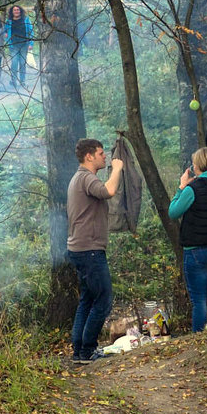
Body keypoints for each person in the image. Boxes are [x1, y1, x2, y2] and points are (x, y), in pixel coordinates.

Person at [67, 138, 125, 364]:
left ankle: (79, 352)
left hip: (81, 248)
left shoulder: (80, 178)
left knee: (88, 300)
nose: (105, 157)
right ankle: (88, 350)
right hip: (89, 250)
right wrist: (117, 169)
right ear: (89, 156)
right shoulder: (85, 178)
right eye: (101, 153)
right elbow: (109, 190)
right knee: (103, 300)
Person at [169, 146, 207, 333]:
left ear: (200, 166)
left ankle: (197, 338)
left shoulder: (193, 189)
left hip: (195, 250)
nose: (193, 167)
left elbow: (173, 212)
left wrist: (182, 187)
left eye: (194, 163)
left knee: (199, 300)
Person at [7, 5, 32, 88]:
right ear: (12, 12)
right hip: (13, 46)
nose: (16, 11)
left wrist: (31, 44)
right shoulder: (9, 21)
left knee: (22, 63)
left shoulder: (26, 20)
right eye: (14, 10)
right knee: (14, 63)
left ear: (20, 11)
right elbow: (4, 31)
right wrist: (5, 35)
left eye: (18, 10)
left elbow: (30, 31)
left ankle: (22, 81)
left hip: (24, 45)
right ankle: (13, 81)